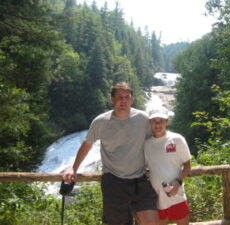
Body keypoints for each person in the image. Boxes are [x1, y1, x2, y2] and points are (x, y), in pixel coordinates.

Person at [63, 82, 160, 225]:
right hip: (114, 181)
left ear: (132, 100)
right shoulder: (101, 122)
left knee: (153, 222)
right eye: (120, 97)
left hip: (140, 180)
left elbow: (156, 141)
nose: (123, 101)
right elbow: (87, 144)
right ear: (112, 100)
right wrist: (73, 168)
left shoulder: (143, 119)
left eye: (127, 97)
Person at [144, 108, 192, 225]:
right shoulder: (146, 144)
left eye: (161, 120)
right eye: (154, 120)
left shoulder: (177, 139)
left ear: (167, 122)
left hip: (177, 195)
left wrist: (178, 183)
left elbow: (187, 165)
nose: (157, 124)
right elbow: (144, 168)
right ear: (150, 123)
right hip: (157, 198)